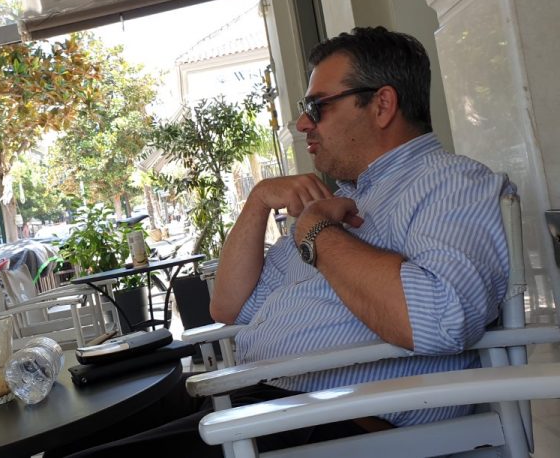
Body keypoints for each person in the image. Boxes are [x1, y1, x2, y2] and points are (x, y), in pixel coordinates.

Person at [53, 27, 511, 457]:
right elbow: (229, 307)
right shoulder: (342, 199)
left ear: (382, 105)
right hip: (269, 405)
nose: (302, 123)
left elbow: (439, 318)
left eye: (317, 106)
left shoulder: (448, 182)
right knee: (67, 445)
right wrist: (257, 202)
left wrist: (317, 234)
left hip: (343, 423)